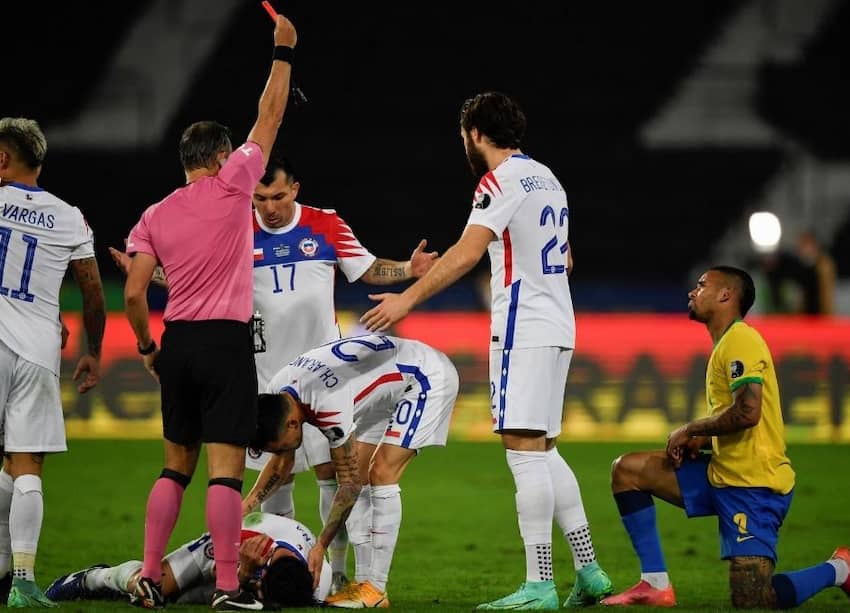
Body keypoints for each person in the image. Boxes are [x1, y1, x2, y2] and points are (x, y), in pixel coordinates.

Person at [109, 154, 439, 592]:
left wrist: (408, 270)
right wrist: (150, 277)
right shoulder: (235, 227)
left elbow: (367, 266)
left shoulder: (325, 224)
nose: (269, 207)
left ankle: (336, 574)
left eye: (278, 196)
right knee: (275, 486)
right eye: (260, 198)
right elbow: (201, 280)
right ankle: (273, 576)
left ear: (295, 190)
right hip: (262, 384)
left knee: (330, 477)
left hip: (324, 381)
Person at [359, 91, 613, 610]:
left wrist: (407, 298)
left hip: (524, 326)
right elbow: (565, 259)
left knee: (522, 450)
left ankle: (539, 583)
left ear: (475, 133)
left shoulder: (498, 180)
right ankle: (588, 571)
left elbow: (467, 252)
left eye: (463, 136)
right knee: (544, 448)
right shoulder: (549, 178)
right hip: (560, 321)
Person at [122, 13, 297, 611]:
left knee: (174, 467)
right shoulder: (234, 186)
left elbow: (134, 291)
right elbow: (269, 116)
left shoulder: (153, 215)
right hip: (225, 345)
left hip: (176, 344)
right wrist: (283, 50)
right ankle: (227, 586)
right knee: (225, 474)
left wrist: (147, 347)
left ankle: (149, 573)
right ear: (222, 156)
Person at [601, 265, 850, 609]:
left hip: (754, 485)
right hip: (721, 472)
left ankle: (838, 570)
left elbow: (748, 412)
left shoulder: (741, 339)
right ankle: (654, 584)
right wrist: (703, 440)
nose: (693, 291)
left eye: (702, 285)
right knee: (627, 471)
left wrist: (692, 429)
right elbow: (733, 412)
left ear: (726, 295)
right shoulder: (724, 345)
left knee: (752, 597)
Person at [248, 333, 459, 608]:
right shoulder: (279, 390)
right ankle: (361, 583)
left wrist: (320, 544)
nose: (280, 453)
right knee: (359, 472)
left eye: (278, 446)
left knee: (381, 473)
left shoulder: (328, 407)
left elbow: (349, 485)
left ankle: (377, 588)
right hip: (387, 382)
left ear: (292, 424)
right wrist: (247, 504)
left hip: (424, 377)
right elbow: (282, 462)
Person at [0, 117, 106, 608]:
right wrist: (92, 350)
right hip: (39, 351)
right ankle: (20, 580)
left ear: (4, 158)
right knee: (26, 466)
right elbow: (91, 291)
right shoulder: (69, 216)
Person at [44, 511, 331, 607]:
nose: (258, 594)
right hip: (220, 549)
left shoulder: (318, 581)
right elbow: (226, 575)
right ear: (264, 572)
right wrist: (242, 575)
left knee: (178, 601)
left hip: (256, 561)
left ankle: (115, 593)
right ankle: (93, 578)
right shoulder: (243, 540)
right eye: (260, 588)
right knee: (153, 589)